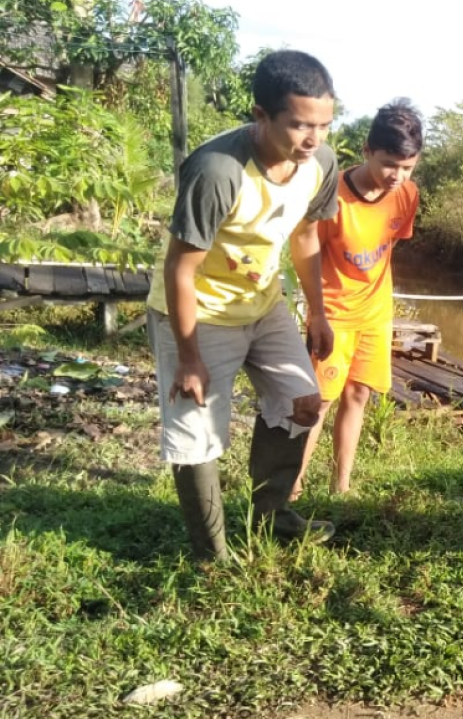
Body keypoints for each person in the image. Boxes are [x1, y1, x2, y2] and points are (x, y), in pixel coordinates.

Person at [146, 50, 341, 561]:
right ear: (261, 116)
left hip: (263, 305)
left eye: (323, 124)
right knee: (197, 432)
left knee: (302, 401)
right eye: (299, 125)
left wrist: (317, 312)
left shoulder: (320, 163)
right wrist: (189, 358)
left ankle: (272, 514)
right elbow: (180, 269)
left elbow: (304, 236)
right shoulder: (217, 170)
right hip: (198, 312)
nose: (313, 138)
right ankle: (211, 556)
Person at [293, 99, 422, 499]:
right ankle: (291, 489)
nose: (397, 175)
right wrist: (317, 314)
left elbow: (386, 248)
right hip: (333, 314)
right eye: (389, 164)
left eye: (407, 166)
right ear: (367, 150)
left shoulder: (407, 195)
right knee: (318, 403)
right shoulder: (333, 198)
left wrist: (377, 302)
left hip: (375, 315)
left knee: (358, 394)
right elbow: (307, 251)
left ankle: (341, 485)